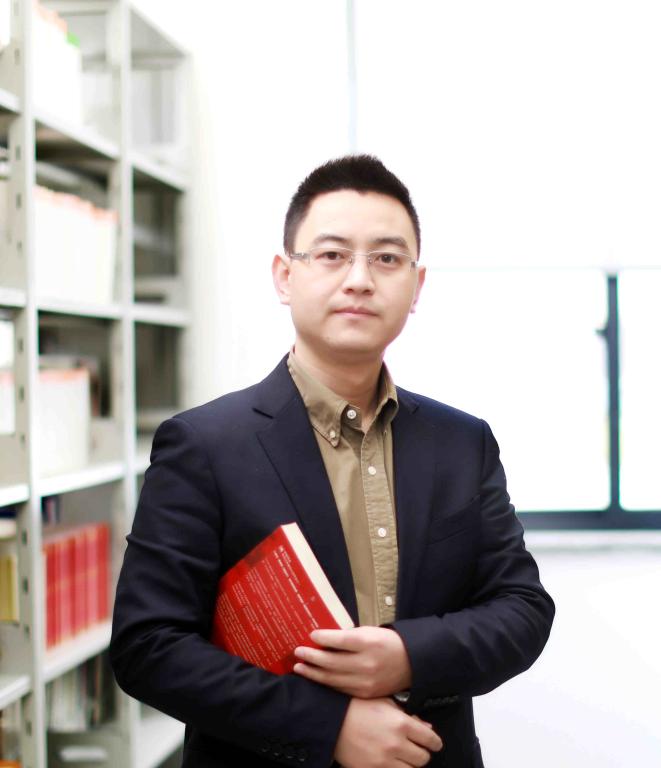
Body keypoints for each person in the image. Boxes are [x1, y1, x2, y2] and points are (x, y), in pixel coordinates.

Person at [110, 155, 555, 768]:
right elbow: (148, 647)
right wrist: (328, 726)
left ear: (417, 285)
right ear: (284, 276)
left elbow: (522, 609)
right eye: (331, 254)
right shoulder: (204, 444)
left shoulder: (462, 441)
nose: (360, 279)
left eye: (387, 258)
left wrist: (409, 656)